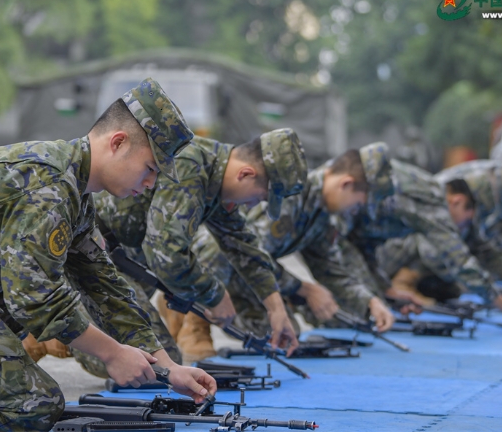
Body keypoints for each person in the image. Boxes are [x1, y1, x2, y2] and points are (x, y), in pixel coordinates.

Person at [0, 78, 217, 432]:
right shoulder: (49, 186)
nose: (151, 183)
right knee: (34, 408)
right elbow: (34, 298)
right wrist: (113, 353)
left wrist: (169, 368)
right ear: (118, 143)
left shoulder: (74, 189)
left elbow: (106, 288)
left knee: (54, 320)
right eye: (151, 168)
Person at [80, 128, 308, 364]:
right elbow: (166, 254)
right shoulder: (191, 164)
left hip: (123, 260)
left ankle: (81, 323)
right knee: (151, 367)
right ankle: (58, 330)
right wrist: (215, 296)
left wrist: (276, 309)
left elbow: (243, 247)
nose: (252, 206)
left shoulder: (217, 176)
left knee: (160, 362)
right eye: (259, 198)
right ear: (246, 174)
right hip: (90, 255)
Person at [174, 146, 407, 344]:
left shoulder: (323, 215)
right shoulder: (292, 195)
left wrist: (370, 301)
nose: (354, 212)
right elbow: (247, 253)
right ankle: (193, 320)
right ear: (346, 184)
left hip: (247, 276)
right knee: (219, 248)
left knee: (283, 336)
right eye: (357, 204)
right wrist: (302, 288)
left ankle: (209, 303)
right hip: (212, 259)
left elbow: (330, 271)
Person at [342, 145, 502, 328]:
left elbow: (477, 243)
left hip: (355, 242)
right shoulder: (433, 208)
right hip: (341, 236)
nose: (467, 225)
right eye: (469, 218)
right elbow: (462, 264)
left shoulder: (441, 196)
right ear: (458, 201)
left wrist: (384, 289)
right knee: (346, 316)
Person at [386, 178, 502, 322]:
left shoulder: (447, 205)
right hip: (383, 264)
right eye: (465, 221)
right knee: (445, 265)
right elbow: (461, 265)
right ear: (457, 201)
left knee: (451, 290)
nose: (464, 227)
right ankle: (398, 286)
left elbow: (482, 247)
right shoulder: (433, 211)